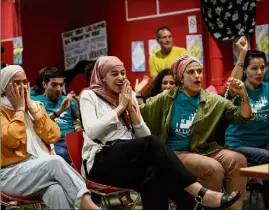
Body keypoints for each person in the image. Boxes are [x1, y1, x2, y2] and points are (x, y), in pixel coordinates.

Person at [79, 56, 241, 210]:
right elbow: (92, 132)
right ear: (101, 76)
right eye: (114, 74)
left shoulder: (127, 95)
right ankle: (201, 193)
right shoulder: (90, 95)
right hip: (100, 162)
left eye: (122, 73)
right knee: (153, 142)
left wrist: (132, 111)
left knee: (156, 174)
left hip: (127, 160)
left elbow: (142, 136)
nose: (120, 77)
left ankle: (193, 199)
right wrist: (120, 108)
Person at [140, 55, 253, 210]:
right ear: (181, 77)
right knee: (213, 168)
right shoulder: (168, 97)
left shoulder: (212, 100)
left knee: (238, 160)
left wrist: (243, 95)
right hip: (176, 152)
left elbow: (243, 118)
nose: (197, 75)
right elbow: (142, 112)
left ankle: (235, 208)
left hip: (205, 150)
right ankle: (208, 206)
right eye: (191, 72)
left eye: (199, 71)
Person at [0, 65, 99, 210]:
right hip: (9, 175)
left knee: (55, 190)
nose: (22, 87)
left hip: (37, 170)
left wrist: (32, 110)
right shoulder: (2, 111)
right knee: (55, 161)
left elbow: (53, 135)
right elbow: (11, 140)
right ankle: (88, 205)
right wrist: (20, 110)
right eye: (16, 83)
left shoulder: (36, 106)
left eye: (24, 82)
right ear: (4, 86)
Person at [225, 37, 268, 207]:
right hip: (239, 144)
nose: (259, 72)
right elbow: (232, 84)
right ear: (245, 71)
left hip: (263, 143)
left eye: (262, 68)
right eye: (254, 68)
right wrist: (242, 54)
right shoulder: (239, 89)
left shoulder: (267, 88)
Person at [32, 67, 81, 164]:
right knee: (62, 154)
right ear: (44, 84)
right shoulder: (36, 101)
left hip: (72, 139)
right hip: (52, 141)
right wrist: (59, 111)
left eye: (61, 85)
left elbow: (78, 121)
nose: (58, 89)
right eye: (54, 85)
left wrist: (81, 108)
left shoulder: (69, 100)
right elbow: (39, 123)